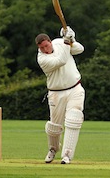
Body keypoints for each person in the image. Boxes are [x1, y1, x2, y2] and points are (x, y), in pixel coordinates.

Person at [35, 26, 85, 164]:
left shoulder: (59, 43)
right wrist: (66, 41)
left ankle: (67, 154)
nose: (45, 49)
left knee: (73, 118)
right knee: (54, 127)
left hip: (75, 88)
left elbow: (80, 49)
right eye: (42, 48)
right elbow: (61, 60)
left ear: (50, 41)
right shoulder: (42, 59)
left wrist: (72, 39)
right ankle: (53, 149)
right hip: (56, 93)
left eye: (46, 46)